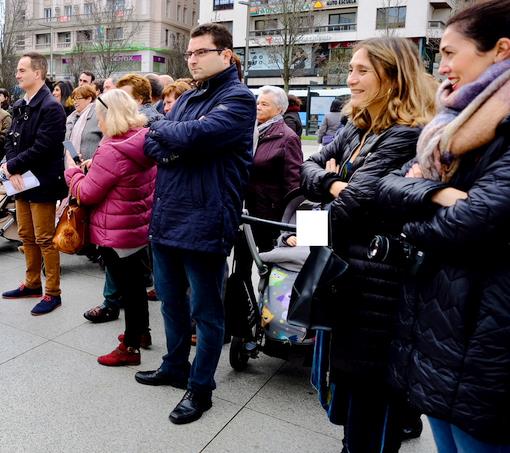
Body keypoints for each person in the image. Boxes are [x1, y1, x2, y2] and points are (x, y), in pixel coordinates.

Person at [377, 1, 510, 451]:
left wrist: (409, 203)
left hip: (487, 334)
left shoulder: (494, 126)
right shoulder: (450, 124)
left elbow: (473, 220)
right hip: (439, 324)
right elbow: (383, 188)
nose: (442, 65)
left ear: (500, 50)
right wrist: (435, 194)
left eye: (451, 53)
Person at [300, 37, 436, 453]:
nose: (351, 78)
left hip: (379, 282)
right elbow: (304, 170)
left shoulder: (405, 134)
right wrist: (332, 184)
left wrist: (325, 199)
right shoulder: (357, 125)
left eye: (362, 70)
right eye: (351, 69)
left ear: (393, 78)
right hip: (349, 272)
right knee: (348, 384)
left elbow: (355, 206)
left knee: (370, 397)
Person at [137, 23, 256, 425]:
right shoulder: (189, 97)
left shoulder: (238, 98)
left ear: (225, 55)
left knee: (205, 312)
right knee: (171, 303)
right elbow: (156, 146)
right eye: (189, 53)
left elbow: (195, 135)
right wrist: (174, 139)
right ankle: (174, 366)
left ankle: (201, 388)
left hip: (206, 220)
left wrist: (160, 126)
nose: (191, 59)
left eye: (200, 52)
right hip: (168, 216)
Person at [64, 89, 156, 366]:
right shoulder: (141, 139)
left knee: (128, 289)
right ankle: (141, 333)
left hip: (116, 230)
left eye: (100, 117)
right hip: (137, 225)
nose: (98, 123)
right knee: (136, 285)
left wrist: (73, 171)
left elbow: (87, 193)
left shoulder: (111, 149)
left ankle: (130, 347)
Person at [1, 52, 67, 315]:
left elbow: (44, 146)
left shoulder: (51, 107)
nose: (17, 75)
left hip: (42, 181)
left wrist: (13, 166)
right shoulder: (21, 104)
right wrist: (10, 164)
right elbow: (10, 138)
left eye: (21, 70)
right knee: (26, 235)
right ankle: (31, 284)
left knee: (44, 238)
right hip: (21, 181)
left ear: (37, 74)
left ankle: (53, 292)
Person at [245, 85, 303, 251]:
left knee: (269, 261)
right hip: (244, 209)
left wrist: (292, 226)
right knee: (241, 263)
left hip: (269, 215)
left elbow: (294, 183)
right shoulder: (251, 131)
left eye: (265, 104)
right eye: (258, 103)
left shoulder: (287, 138)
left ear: (279, 109)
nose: (258, 107)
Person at [65, 84, 101, 161]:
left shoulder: (98, 115)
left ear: (89, 99)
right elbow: (67, 141)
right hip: (73, 164)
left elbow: (105, 142)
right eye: (74, 99)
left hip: (92, 165)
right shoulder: (71, 117)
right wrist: (75, 159)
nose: (75, 102)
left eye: (78, 98)